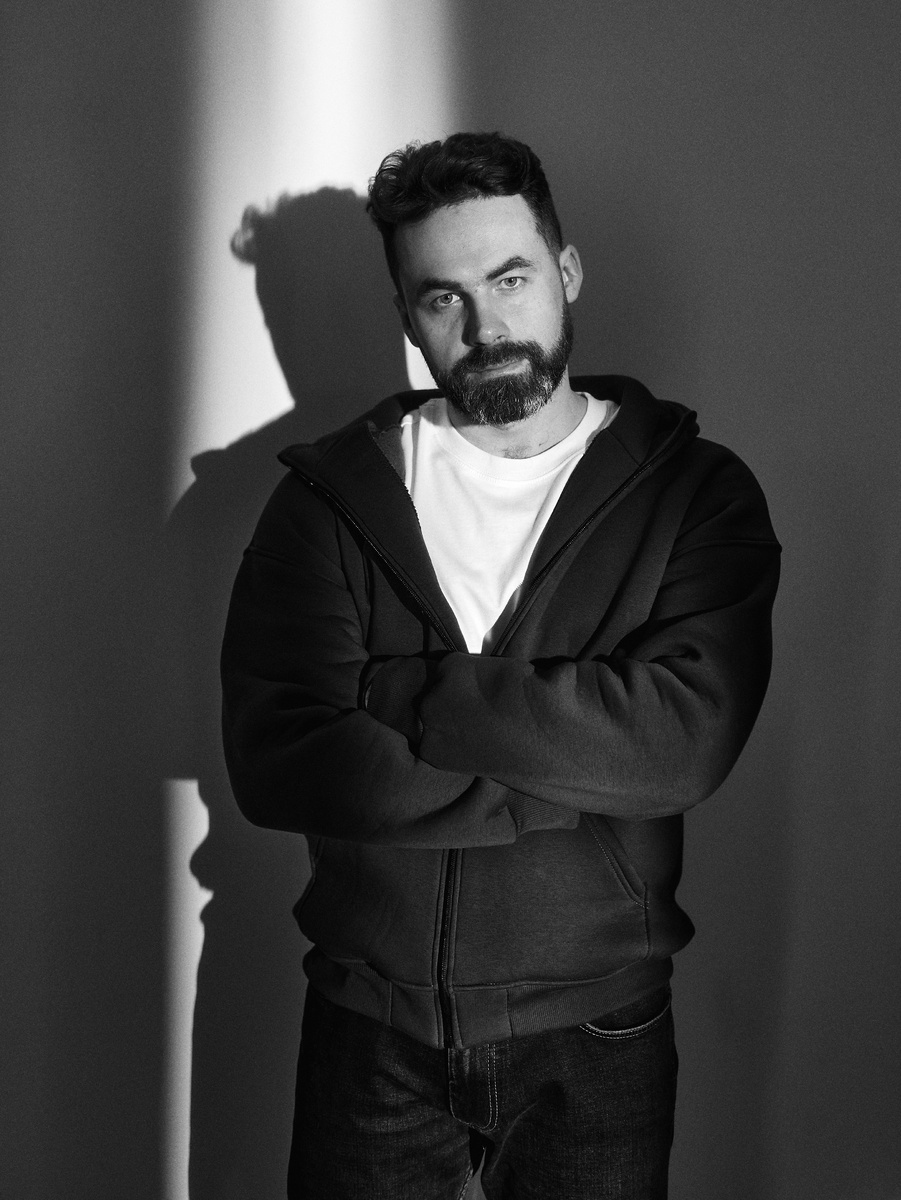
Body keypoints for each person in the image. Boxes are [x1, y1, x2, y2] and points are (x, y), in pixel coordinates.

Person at [220, 132, 781, 1199]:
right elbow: (280, 761)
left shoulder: (693, 496)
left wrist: (400, 692)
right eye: (444, 298)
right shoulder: (327, 502)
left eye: (510, 279)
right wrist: (571, 775)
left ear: (565, 273)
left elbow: (680, 745)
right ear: (406, 315)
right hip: (368, 1028)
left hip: (597, 1032)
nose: (485, 329)